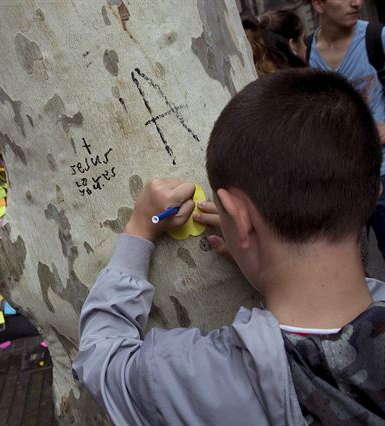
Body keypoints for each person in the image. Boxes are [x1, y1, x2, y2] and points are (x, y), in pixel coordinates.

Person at [72, 69, 385, 425]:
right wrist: (261, 253)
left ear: (239, 218)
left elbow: (101, 361)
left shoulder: (203, 379)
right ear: (374, 192)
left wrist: (142, 229)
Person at [308, 0, 385, 260]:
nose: (357, 2)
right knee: (347, 272)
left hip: (382, 172)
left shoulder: (376, 38)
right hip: (338, 184)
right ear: (318, 4)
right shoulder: (306, 52)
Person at [242, 10, 307, 75]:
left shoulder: (250, 74)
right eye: (303, 40)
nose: (305, 47)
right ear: (292, 45)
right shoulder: (296, 81)